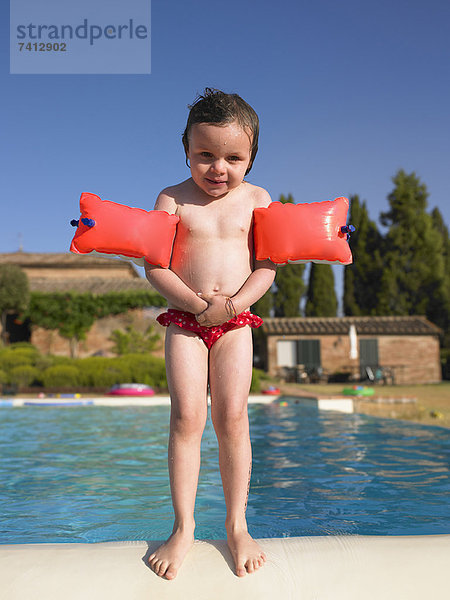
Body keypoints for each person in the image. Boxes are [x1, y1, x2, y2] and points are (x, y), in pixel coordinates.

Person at [145, 88, 276, 580]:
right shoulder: (172, 199)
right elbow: (154, 267)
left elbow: (266, 267)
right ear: (187, 151)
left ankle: (237, 525)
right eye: (205, 155)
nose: (218, 168)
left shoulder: (258, 200)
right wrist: (198, 305)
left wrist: (233, 305)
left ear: (251, 159)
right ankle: (183, 528)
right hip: (186, 320)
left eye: (233, 157)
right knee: (186, 417)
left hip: (236, 322)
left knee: (233, 416)